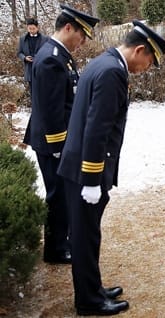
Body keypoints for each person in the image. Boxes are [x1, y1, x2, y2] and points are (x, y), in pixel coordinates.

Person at [57, 20, 165, 316]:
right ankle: (89, 301)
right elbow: (97, 129)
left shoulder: (104, 62)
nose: (146, 68)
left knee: (88, 234)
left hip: (78, 166)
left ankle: (93, 288)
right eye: (150, 61)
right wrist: (92, 178)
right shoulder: (112, 72)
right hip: (85, 171)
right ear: (139, 50)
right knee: (84, 238)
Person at [23, 5, 99, 265]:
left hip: (57, 139)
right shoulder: (51, 58)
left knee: (62, 194)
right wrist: (59, 147)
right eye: (81, 35)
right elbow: (50, 110)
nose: (83, 42)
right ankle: (55, 249)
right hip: (51, 142)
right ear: (68, 28)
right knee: (58, 195)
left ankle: (60, 243)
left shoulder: (60, 55)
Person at [17, 17, 48, 94]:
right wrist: (25, 58)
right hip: (29, 69)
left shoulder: (45, 39)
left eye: (33, 28)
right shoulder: (22, 39)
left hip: (42, 68)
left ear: (37, 27)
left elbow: (48, 52)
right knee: (32, 93)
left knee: (43, 92)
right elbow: (19, 53)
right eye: (29, 28)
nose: (31, 30)